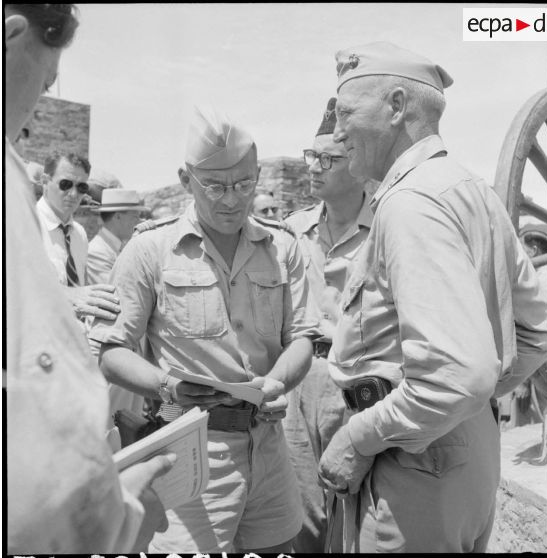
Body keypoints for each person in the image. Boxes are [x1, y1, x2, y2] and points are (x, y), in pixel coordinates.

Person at [317, 42, 547, 553]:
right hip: (460, 455)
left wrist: (361, 437)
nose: (336, 132)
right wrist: (463, 409)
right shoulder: (470, 189)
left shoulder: (411, 204)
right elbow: (535, 332)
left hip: (411, 465)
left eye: (347, 114)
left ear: (397, 106)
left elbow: (456, 376)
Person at [89, 105, 319, 554]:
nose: (231, 199)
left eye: (244, 184)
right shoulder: (149, 250)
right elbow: (111, 352)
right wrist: (168, 385)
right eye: (214, 186)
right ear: (185, 179)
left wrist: (277, 382)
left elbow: (304, 338)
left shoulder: (283, 246)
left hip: (269, 451)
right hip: (190, 455)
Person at [5, 3, 175, 553]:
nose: (39, 101)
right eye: (47, 81)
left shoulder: (74, 237)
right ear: (12, 37)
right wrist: (113, 517)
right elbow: (32, 376)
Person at [282, 97, 374, 553]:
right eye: (311, 157)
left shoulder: (385, 228)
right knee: (302, 512)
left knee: (351, 510)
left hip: (355, 383)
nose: (314, 168)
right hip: (299, 380)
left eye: (328, 159)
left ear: (355, 166)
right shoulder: (292, 231)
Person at [36, 149, 121, 321]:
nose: (74, 194)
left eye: (82, 187)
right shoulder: (23, 225)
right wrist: (67, 295)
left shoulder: (79, 234)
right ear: (45, 181)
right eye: (65, 184)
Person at [87, 188, 146, 284]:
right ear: (118, 217)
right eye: (135, 217)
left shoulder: (116, 246)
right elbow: (118, 291)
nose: (138, 222)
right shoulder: (97, 252)